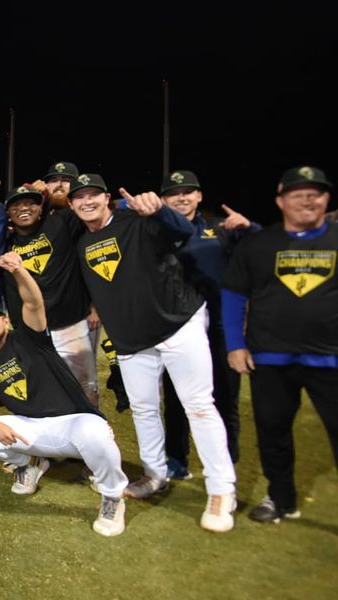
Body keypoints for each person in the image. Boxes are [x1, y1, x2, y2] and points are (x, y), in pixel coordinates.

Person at [69, 173, 237, 532]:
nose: (87, 202)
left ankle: (222, 489)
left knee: (199, 407)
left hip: (177, 322)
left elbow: (184, 233)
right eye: (78, 197)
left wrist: (160, 210)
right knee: (144, 409)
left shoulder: (136, 220)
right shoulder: (84, 244)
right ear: (71, 205)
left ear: (107, 198)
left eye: (93, 195)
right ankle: (154, 473)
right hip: (132, 340)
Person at [0, 252, 128, 536]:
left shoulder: (29, 338)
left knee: (94, 434)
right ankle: (28, 467)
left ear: (5, 321)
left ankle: (113, 496)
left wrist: (19, 271)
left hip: (73, 424)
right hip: (33, 430)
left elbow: (33, 302)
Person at [223, 165, 337, 524]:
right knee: (273, 431)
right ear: (280, 200)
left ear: (326, 199)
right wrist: (235, 345)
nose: (306, 199)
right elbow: (234, 295)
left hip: (330, 358)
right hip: (270, 357)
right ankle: (281, 498)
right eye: (297, 193)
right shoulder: (260, 244)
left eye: (314, 193)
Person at [159, 170, 256, 478]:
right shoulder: (156, 232)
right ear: (163, 200)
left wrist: (250, 228)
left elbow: (267, 250)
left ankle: (225, 466)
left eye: (188, 191)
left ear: (199, 196)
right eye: (173, 193)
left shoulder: (221, 228)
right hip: (178, 328)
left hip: (219, 327)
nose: (182, 197)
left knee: (225, 397)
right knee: (175, 399)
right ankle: (177, 461)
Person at [1, 185, 98, 405]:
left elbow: (82, 206)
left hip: (70, 324)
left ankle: (93, 433)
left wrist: (53, 192)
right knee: (42, 391)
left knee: (86, 388)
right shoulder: (1, 241)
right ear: (7, 213)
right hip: (30, 333)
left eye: (31, 203)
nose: (24, 208)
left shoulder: (61, 223)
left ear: (41, 207)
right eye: (16, 205)